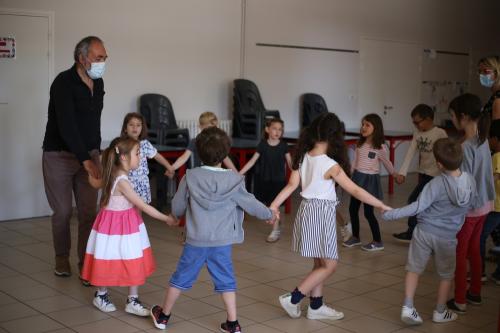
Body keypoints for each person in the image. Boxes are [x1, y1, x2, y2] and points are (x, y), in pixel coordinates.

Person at [150, 127, 277, 332]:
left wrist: (175, 217)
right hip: (222, 241)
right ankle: (233, 324)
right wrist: (270, 214)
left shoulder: (190, 177)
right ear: (226, 153)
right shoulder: (234, 180)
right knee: (226, 280)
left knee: (180, 277)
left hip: (195, 240)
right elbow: (252, 204)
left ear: (199, 152)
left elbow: (177, 206)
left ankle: (163, 316)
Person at [269, 113, 391, 321]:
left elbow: (291, 186)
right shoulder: (330, 165)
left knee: (320, 264)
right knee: (330, 265)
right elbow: (355, 190)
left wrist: (273, 205)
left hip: (308, 212)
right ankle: (294, 298)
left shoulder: (303, 157)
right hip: (320, 215)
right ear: (335, 137)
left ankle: (316, 306)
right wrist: (379, 203)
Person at [383, 138, 476, 325]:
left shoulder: (436, 184)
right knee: (446, 275)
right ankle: (440, 311)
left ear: (439, 164)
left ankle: (408, 307)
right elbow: (471, 206)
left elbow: (418, 206)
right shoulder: (470, 182)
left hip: (424, 232)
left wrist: (392, 214)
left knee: (414, 269)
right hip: (448, 237)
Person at [81, 137, 177, 315]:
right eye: (137, 153)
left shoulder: (114, 174)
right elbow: (143, 206)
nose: (140, 157)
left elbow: (95, 183)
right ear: (123, 157)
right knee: (108, 258)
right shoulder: (122, 181)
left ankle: (132, 299)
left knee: (132, 258)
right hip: (114, 227)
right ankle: (101, 295)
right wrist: (166, 219)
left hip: (127, 225)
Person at [42, 36, 107, 279]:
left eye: (104, 57)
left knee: (89, 212)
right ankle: (62, 258)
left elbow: (94, 122)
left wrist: (95, 153)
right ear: (82, 58)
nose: (103, 62)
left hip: (88, 154)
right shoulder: (63, 83)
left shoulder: (98, 83)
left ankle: (85, 263)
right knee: (62, 212)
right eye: (98, 57)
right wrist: (85, 159)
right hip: (59, 154)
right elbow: (67, 126)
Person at [446, 93, 494, 314]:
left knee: (460, 252)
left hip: (470, 208)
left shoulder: (465, 147)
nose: (452, 120)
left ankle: (459, 299)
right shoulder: (482, 139)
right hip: (485, 205)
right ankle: (474, 293)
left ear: (463, 116)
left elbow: (463, 183)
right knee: (474, 250)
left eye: (453, 116)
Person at [392, 104, 448, 242]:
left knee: (415, 200)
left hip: (436, 176)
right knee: (421, 202)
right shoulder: (417, 134)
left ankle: (414, 232)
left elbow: (447, 154)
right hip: (423, 174)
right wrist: (402, 173)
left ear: (428, 119)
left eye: (418, 122)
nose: (415, 125)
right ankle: (419, 233)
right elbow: (410, 153)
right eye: (413, 122)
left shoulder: (440, 133)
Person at [343, 114, 398, 251]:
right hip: (357, 178)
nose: (363, 127)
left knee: (368, 213)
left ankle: (378, 241)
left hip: (370, 181)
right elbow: (355, 161)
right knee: (353, 209)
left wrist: (395, 174)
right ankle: (355, 237)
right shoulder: (359, 144)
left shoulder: (380, 147)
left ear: (376, 127)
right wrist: (350, 175)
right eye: (363, 124)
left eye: (367, 125)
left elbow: (387, 162)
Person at [239, 118, 292, 242]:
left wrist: (300, 171)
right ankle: (277, 223)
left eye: (280, 129)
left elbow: (290, 163)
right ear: (267, 130)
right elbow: (252, 161)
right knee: (268, 205)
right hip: (264, 180)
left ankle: (275, 230)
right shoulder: (262, 145)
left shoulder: (284, 146)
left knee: (275, 205)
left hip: (278, 181)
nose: (277, 132)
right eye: (274, 128)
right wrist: (240, 173)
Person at [121, 112, 174, 203]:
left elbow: (157, 157)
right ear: (125, 128)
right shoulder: (121, 144)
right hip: (126, 181)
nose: (135, 128)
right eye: (131, 125)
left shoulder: (144, 144)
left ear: (142, 128)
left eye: (138, 125)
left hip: (142, 182)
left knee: (139, 209)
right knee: (126, 208)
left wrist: (170, 167)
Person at [168, 112, 237, 173]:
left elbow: (225, 158)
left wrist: (236, 173)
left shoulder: (218, 142)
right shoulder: (194, 141)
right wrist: (172, 168)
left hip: (212, 175)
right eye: (208, 129)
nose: (210, 132)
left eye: (213, 128)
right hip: (197, 174)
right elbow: (184, 157)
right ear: (200, 126)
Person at [480, 119, 500, 284]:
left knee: (480, 235)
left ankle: (479, 272)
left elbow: (492, 180)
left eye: (489, 138)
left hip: (496, 207)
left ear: (496, 139)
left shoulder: (497, 156)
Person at [478, 56, 500, 120]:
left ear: (497, 72)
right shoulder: (494, 95)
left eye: (486, 71)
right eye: (480, 71)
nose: (481, 75)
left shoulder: (498, 99)